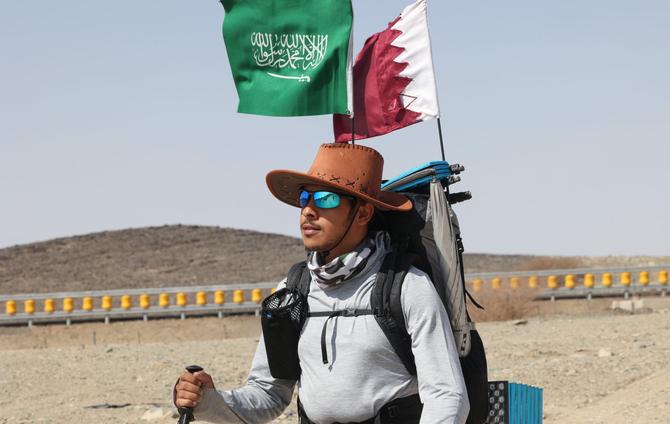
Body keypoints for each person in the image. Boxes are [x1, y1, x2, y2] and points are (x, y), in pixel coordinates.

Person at [174, 143, 470, 424]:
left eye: (327, 198)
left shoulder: (407, 287)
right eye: (305, 198)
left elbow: (446, 394)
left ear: (363, 212)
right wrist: (208, 400)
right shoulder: (290, 292)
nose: (308, 210)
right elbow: (269, 394)